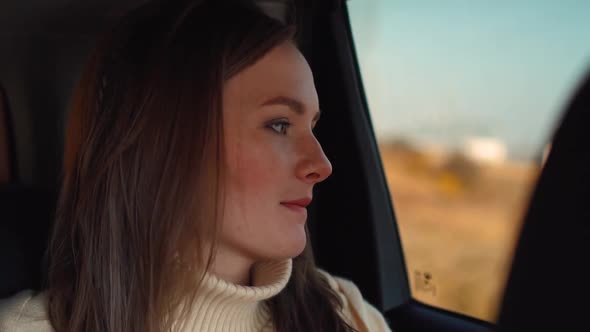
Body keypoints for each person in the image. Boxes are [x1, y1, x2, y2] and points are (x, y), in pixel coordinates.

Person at [0, 1, 392, 331]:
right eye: (279, 125)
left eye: (313, 126)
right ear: (162, 143)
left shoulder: (346, 312)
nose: (321, 165)